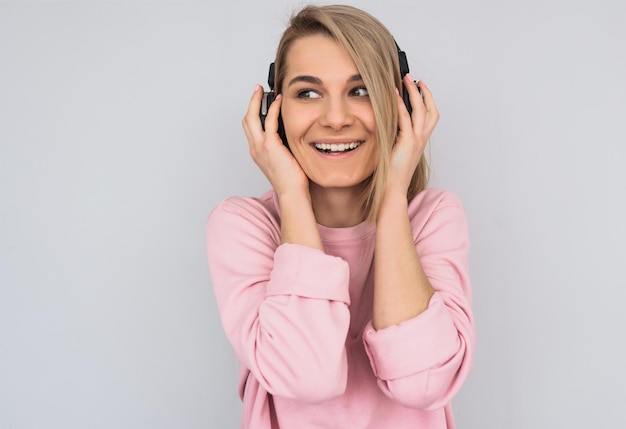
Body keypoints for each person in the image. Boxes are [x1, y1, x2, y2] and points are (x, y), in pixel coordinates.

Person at [206, 4, 475, 428]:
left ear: (400, 104)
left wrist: (391, 197)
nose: (335, 119)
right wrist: (291, 194)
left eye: (361, 89)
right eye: (308, 93)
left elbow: (421, 385)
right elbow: (306, 377)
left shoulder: (433, 217)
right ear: (274, 113)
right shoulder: (243, 226)